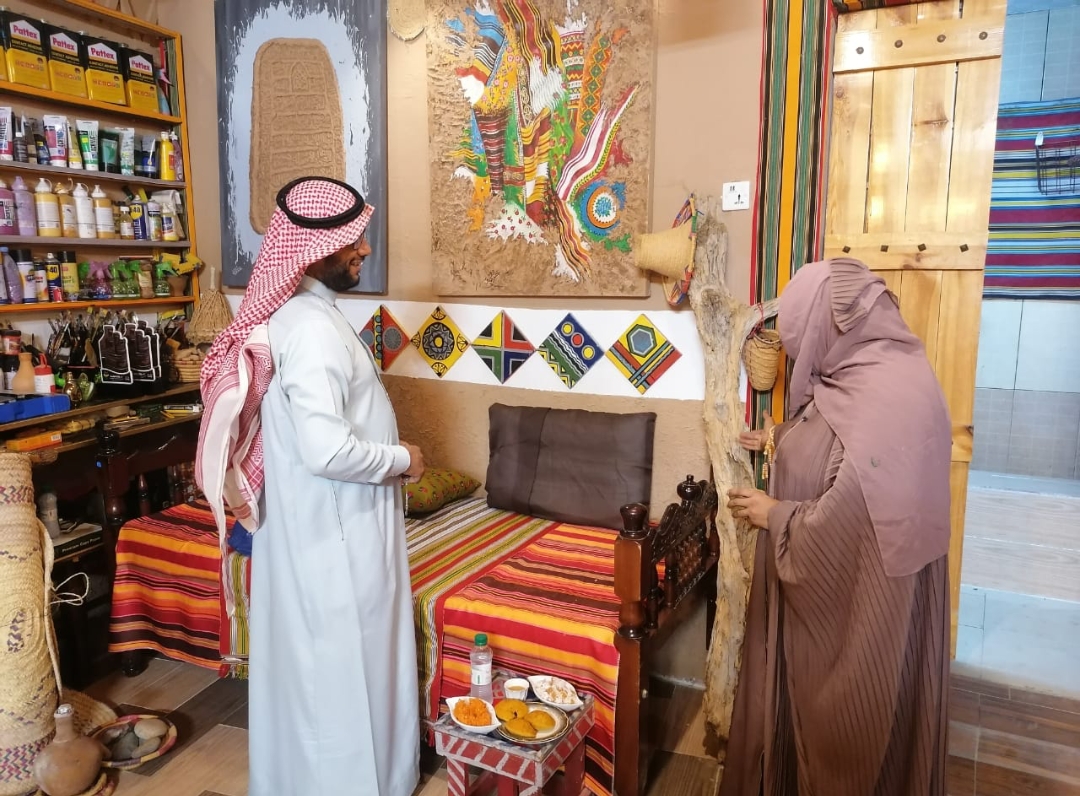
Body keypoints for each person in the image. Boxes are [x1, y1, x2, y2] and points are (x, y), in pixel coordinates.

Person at [197, 177, 425, 796]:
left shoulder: (310, 316)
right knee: (339, 675)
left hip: (331, 526)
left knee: (329, 673)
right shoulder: (311, 329)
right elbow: (327, 452)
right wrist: (403, 458)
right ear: (313, 250)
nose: (364, 249)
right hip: (335, 539)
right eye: (352, 241)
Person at [721, 258, 952, 795]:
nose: (800, 354)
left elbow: (845, 523)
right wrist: (782, 437)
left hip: (861, 629)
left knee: (852, 742)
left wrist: (774, 514)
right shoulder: (885, 371)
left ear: (828, 324)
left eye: (802, 338)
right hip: (895, 608)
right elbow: (844, 440)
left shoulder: (882, 401)